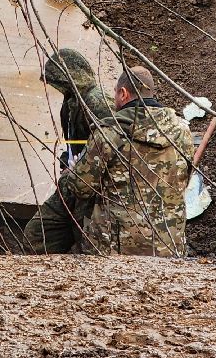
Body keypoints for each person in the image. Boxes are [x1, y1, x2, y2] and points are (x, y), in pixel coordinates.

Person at [52, 65, 192, 257]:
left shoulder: (109, 132)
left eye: (116, 94)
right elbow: (184, 180)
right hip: (170, 245)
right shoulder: (182, 132)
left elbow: (80, 187)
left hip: (116, 249)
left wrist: (73, 172)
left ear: (123, 93)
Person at [22, 48, 113, 253]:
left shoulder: (98, 103)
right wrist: (67, 160)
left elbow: (111, 147)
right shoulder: (70, 102)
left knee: (86, 245)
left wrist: (83, 169)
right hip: (71, 183)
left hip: (94, 189)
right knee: (37, 235)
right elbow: (74, 142)